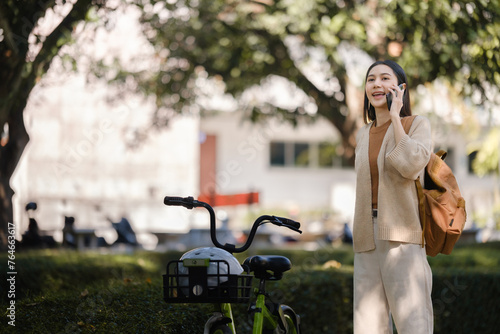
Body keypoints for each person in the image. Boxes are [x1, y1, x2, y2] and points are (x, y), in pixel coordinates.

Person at [352, 60, 433, 334]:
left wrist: (396, 118)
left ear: (400, 87)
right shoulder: (363, 134)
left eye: (385, 78)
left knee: (413, 323)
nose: (376, 84)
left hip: (402, 235)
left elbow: (411, 166)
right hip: (366, 237)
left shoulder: (416, 124)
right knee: (367, 326)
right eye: (371, 79)